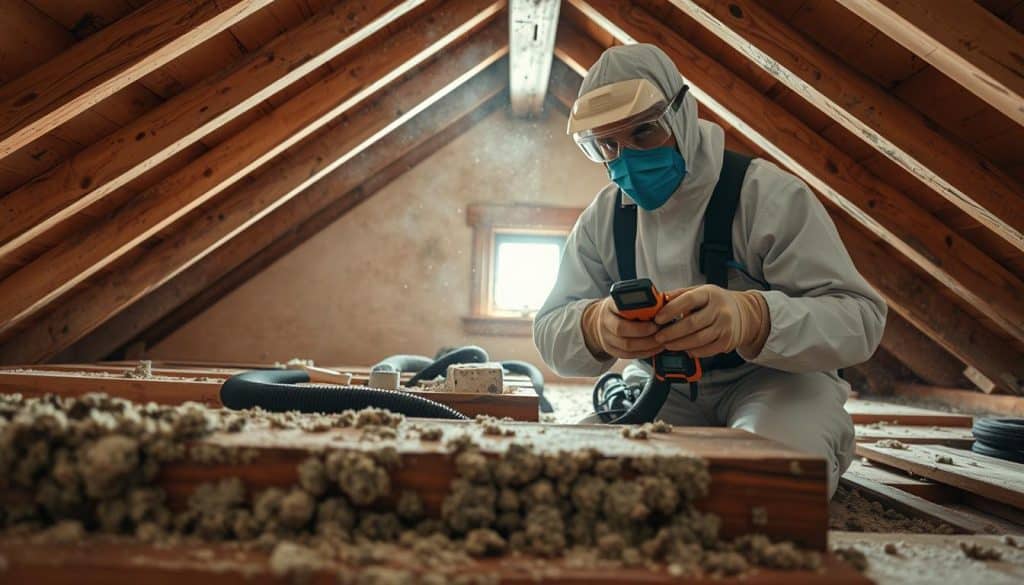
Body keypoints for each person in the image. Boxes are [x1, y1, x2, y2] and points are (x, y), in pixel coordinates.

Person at [533, 44, 886, 498]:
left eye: (644, 132)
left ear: (681, 113)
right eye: (607, 145)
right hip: (662, 387)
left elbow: (860, 320)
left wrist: (754, 318)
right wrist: (593, 326)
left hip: (774, 381)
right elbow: (549, 329)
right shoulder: (604, 218)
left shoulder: (767, 196)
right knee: (576, 480)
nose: (627, 160)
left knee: (773, 484)